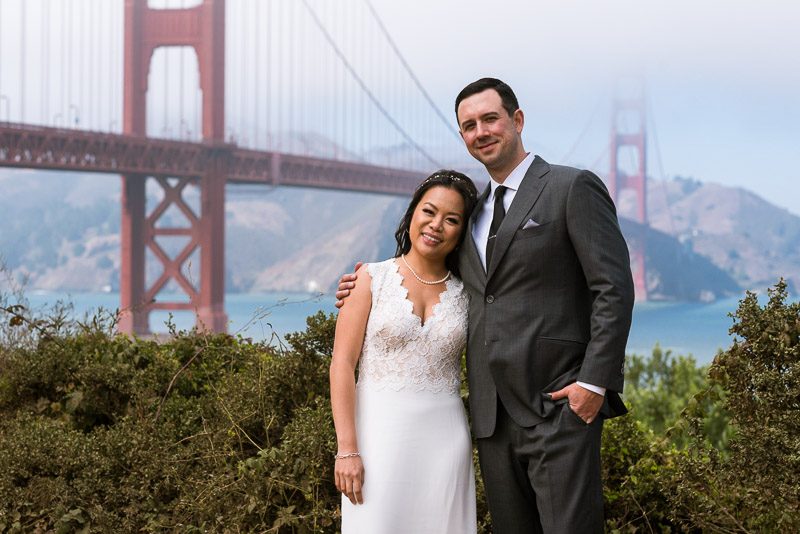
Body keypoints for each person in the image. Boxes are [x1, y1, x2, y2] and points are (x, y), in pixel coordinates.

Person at [337, 78, 634, 533]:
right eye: (469, 125)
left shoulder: (571, 187)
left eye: (490, 119)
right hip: (490, 423)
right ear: (462, 136)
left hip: (558, 408)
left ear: (517, 120)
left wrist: (593, 383)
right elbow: (437, 275)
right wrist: (365, 285)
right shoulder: (471, 215)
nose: (481, 131)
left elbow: (613, 287)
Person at [330, 170, 479, 533]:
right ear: (412, 213)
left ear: (462, 232)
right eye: (429, 211)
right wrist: (347, 449)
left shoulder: (470, 294)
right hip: (376, 439)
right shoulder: (369, 279)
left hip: (446, 444)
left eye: (452, 219)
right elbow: (342, 365)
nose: (436, 225)